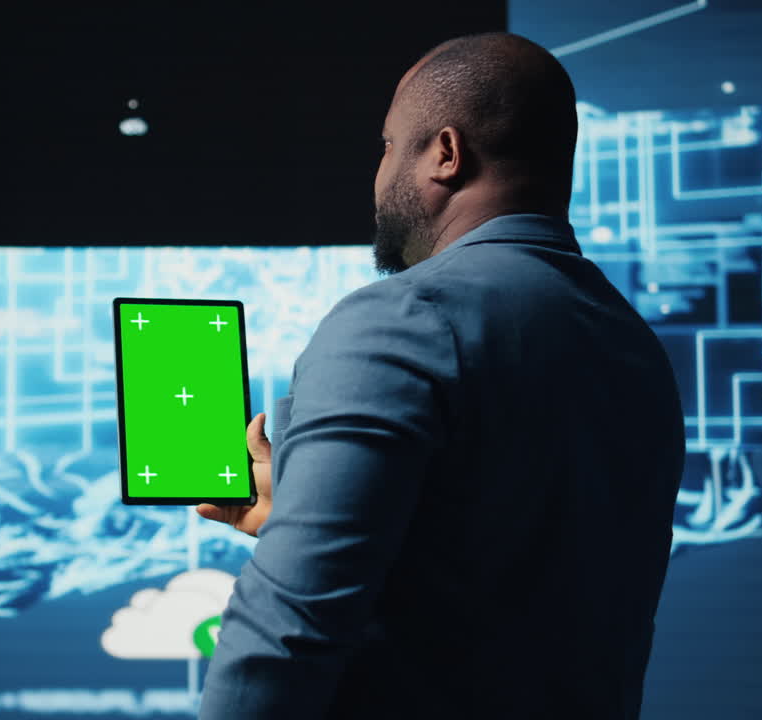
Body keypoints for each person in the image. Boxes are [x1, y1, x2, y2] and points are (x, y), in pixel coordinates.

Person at [195, 32, 685, 719]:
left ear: (446, 155)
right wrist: (303, 512)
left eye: (388, 146)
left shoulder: (402, 319)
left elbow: (287, 632)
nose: (378, 173)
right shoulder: (632, 349)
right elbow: (506, 576)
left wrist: (302, 554)